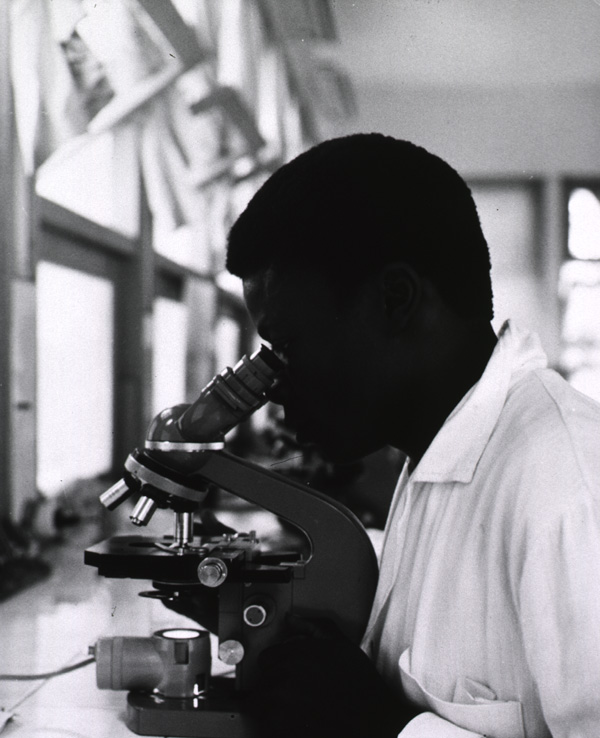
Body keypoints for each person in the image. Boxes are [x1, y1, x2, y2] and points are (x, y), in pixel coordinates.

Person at [225, 133, 600, 738]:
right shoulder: (431, 454)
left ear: (395, 299)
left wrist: (375, 727)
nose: (275, 388)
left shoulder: (570, 490)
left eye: (288, 346)